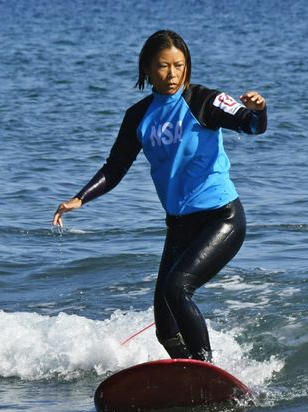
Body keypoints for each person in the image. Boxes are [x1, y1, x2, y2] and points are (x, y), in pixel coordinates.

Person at [53, 30, 267, 362]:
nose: (171, 74)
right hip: (180, 225)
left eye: (178, 66)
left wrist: (258, 110)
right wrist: (80, 198)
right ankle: (190, 378)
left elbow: (251, 126)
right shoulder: (139, 115)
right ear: (148, 69)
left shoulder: (204, 100)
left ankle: (205, 368)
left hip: (220, 218)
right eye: (163, 66)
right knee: (165, 327)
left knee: (177, 288)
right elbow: (116, 166)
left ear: (187, 66)